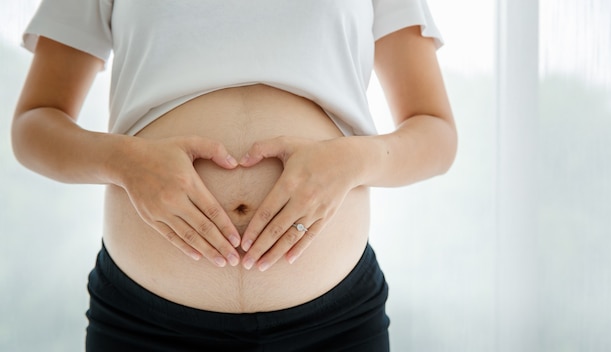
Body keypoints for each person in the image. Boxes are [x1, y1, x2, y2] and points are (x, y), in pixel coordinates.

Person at [12, 0, 456, 351]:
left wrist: (353, 161)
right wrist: (124, 161)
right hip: (145, 325)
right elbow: (34, 124)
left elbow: (436, 133)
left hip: (333, 327)